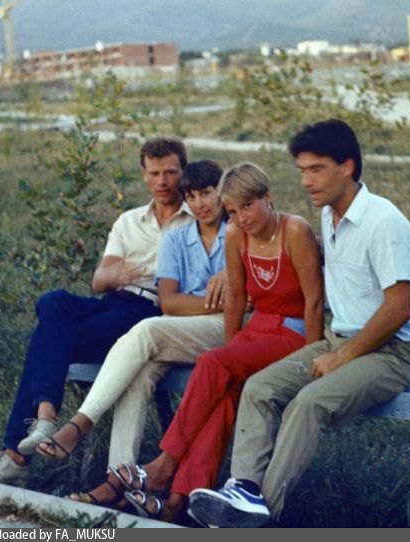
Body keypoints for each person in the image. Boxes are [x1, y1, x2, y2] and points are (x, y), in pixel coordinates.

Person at [188, 119, 410, 528]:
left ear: (347, 166)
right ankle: (243, 490)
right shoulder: (328, 216)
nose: (306, 181)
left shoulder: (382, 222)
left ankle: (260, 516)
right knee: (259, 388)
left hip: (390, 354)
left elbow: (399, 308)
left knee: (308, 403)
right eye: (302, 170)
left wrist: (341, 358)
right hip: (339, 341)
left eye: (316, 169)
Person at [0, 137, 194, 485]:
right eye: (155, 173)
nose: (162, 181)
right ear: (144, 174)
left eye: (170, 172)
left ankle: (21, 450)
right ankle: (43, 421)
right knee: (53, 302)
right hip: (116, 302)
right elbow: (100, 281)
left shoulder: (196, 219)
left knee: (46, 340)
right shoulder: (129, 221)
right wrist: (117, 275)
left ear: (183, 172)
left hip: (152, 314)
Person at [117, 162, 324, 524]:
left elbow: (314, 302)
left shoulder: (294, 230)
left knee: (211, 362)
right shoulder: (236, 235)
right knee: (223, 396)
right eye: (232, 211)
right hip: (257, 330)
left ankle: (165, 463)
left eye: (247, 206)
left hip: (294, 334)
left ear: (267, 197)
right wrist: (233, 354)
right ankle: (179, 500)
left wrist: (313, 356)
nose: (241, 218)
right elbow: (237, 298)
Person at [35, 159, 230, 509]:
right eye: (192, 196)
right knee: (137, 375)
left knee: (146, 330)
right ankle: (119, 481)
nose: (200, 203)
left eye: (207, 194)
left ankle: (81, 423)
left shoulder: (238, 232)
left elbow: (239, 304)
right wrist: (214, 301)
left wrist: (220, 302)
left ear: (222, 193)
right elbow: (168, 301)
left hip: (227, 330)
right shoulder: (176, 237)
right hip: (184, 328)